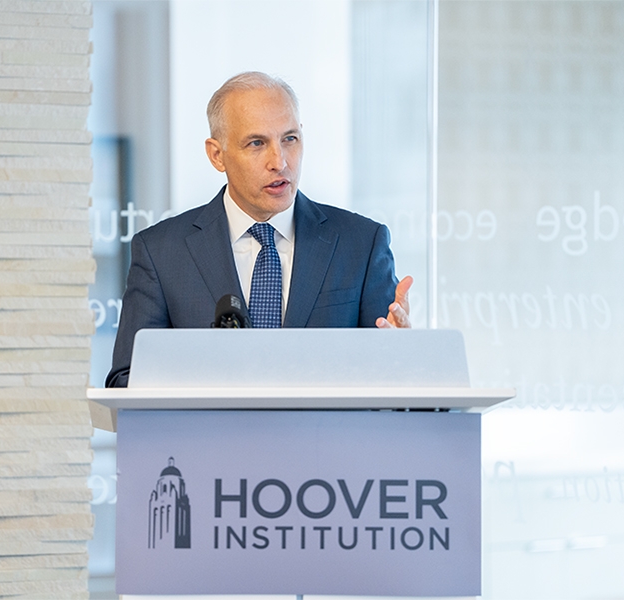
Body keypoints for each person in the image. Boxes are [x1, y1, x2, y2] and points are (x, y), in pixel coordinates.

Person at [105, 71, 413, 387]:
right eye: (256, 143)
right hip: (209, 437)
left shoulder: (360, 244)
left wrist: (405, 358)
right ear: (217, 154)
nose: (279, 161)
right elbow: (126, 381)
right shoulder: (161, 252)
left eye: (289, 139)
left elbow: (396, 386)